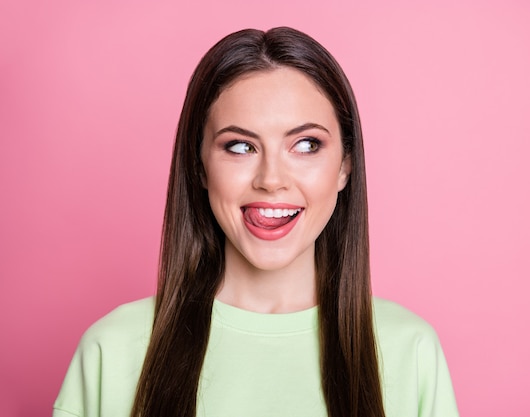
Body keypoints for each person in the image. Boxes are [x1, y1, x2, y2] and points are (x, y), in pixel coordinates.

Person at [53, 27, 459, 417]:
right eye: (241, 146)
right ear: (200, 168)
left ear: (345, 166)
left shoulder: (410, 351)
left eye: (305, 145)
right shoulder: (113, 350)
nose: (271, 180)